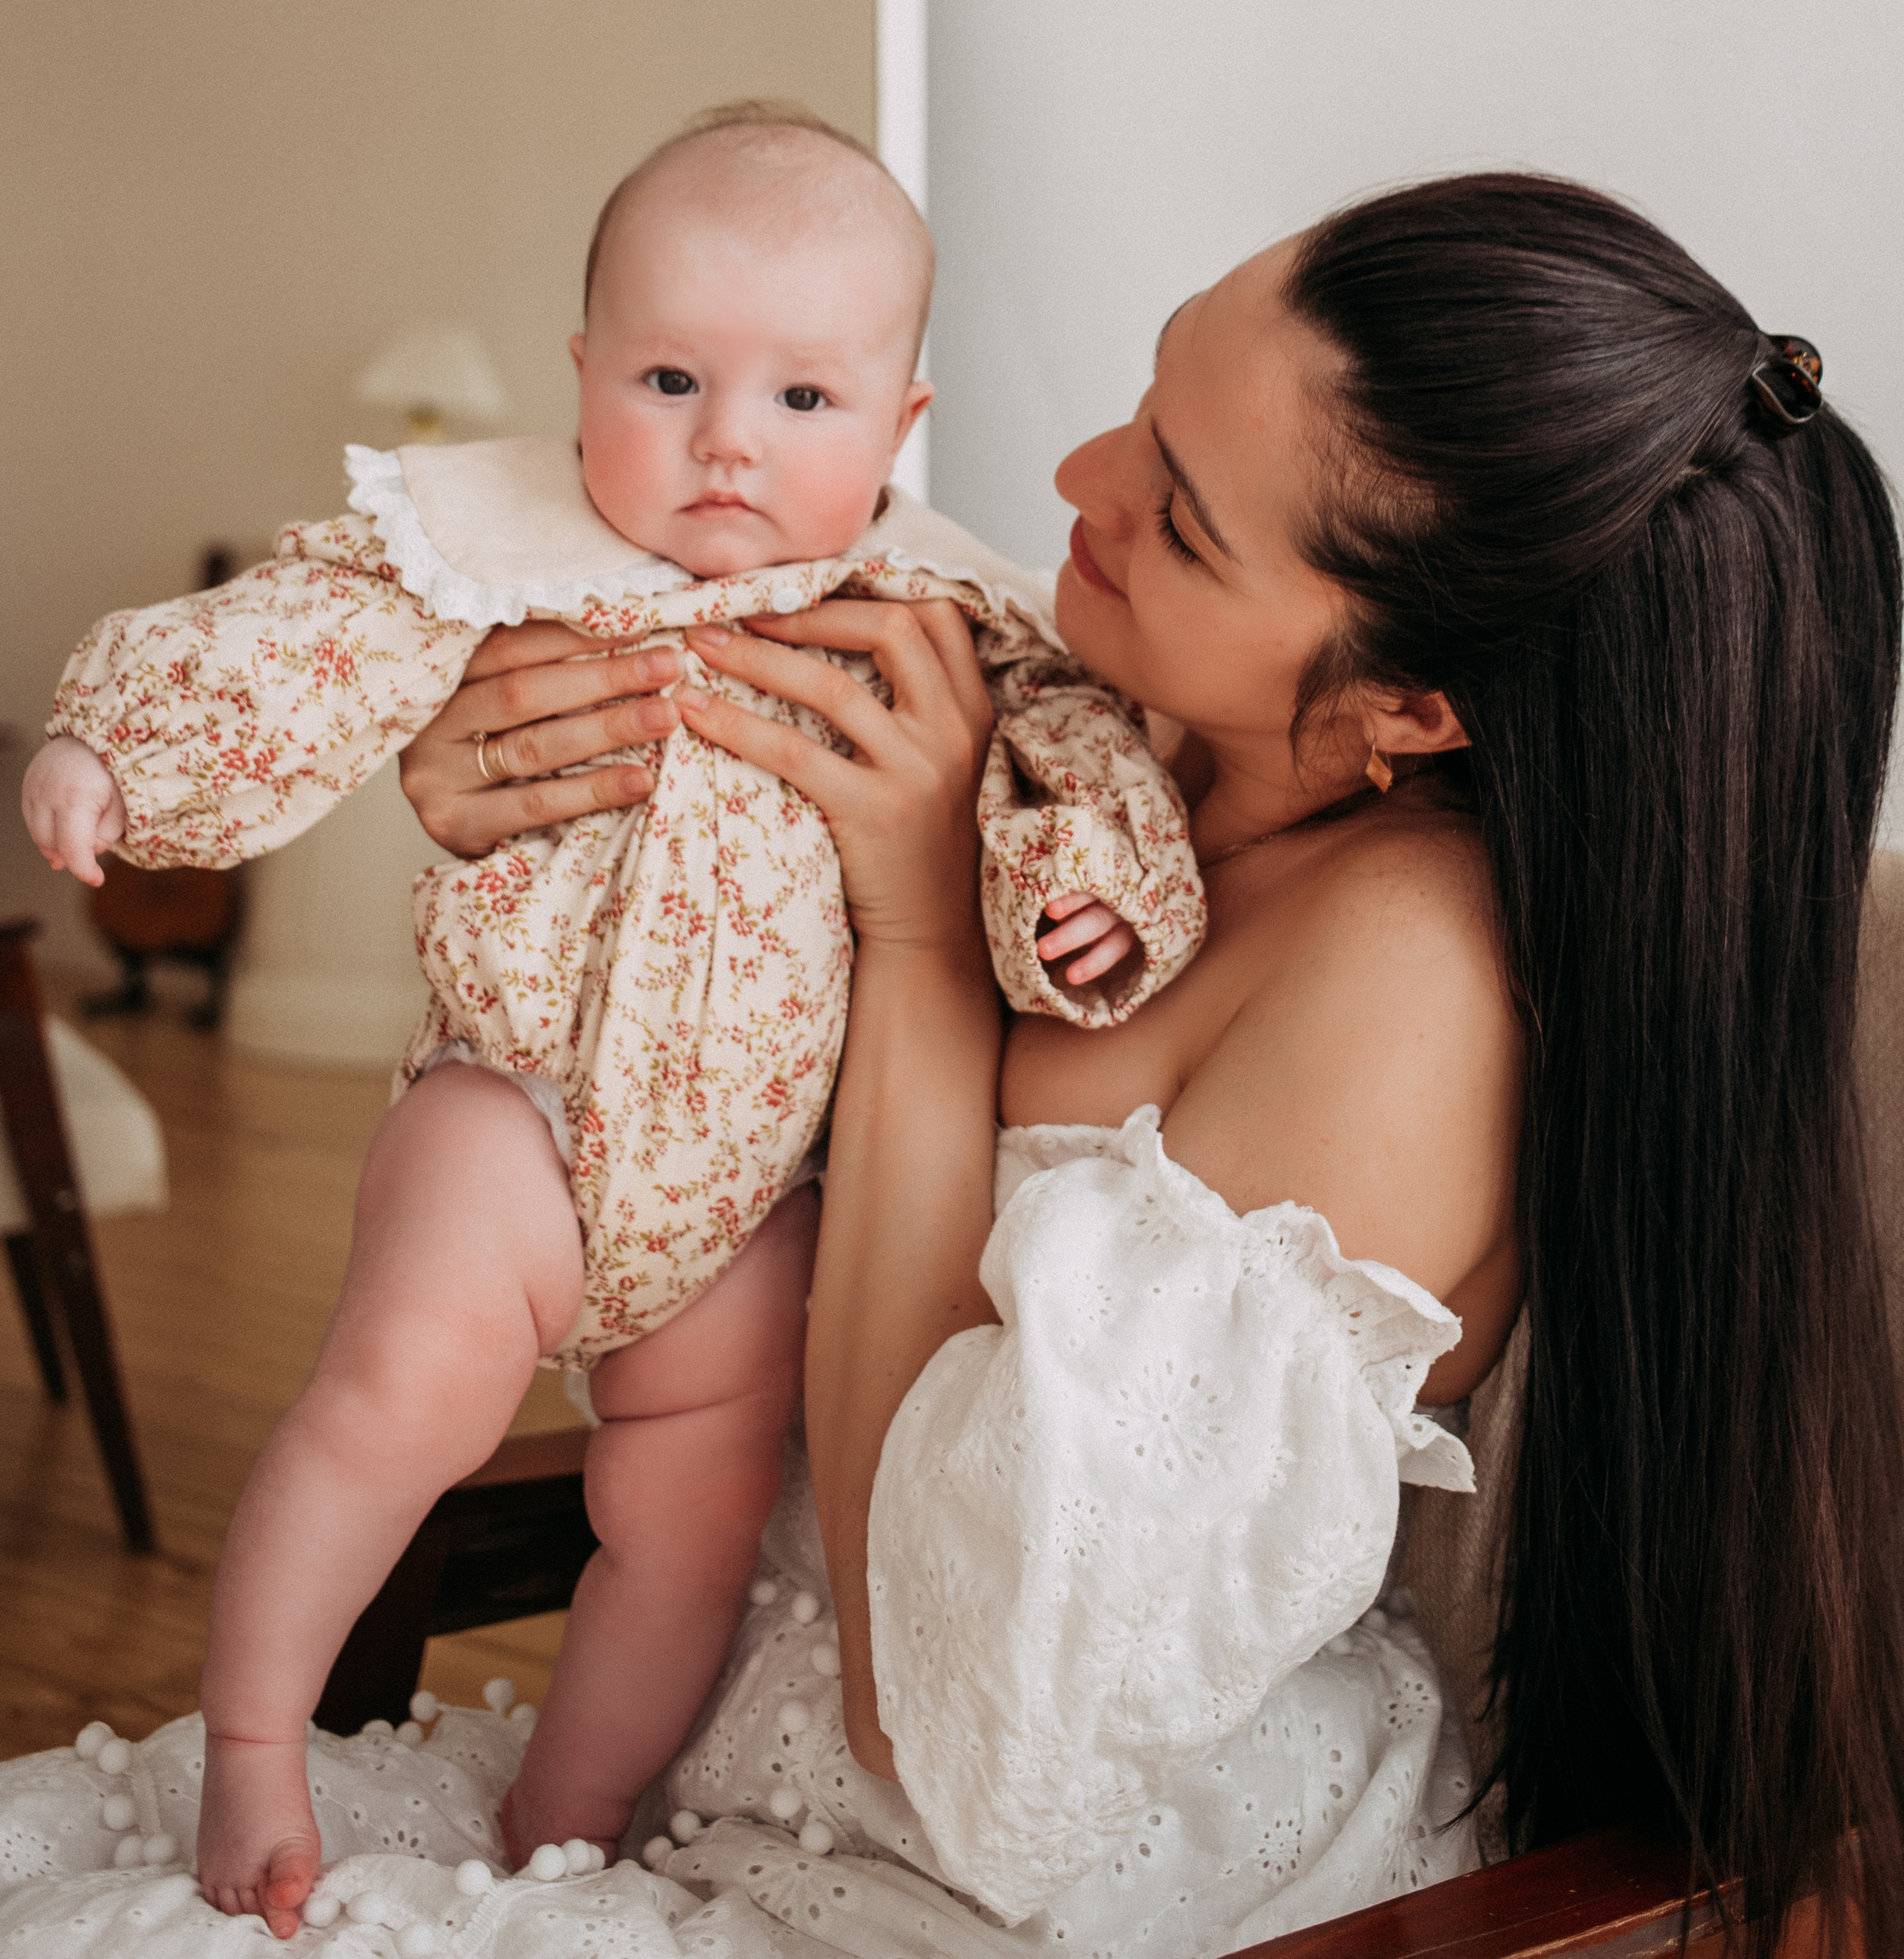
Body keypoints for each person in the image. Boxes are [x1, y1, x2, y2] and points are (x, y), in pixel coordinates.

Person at [394, 172, 1904, 1958]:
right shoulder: (1095, 741)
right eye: (1148, 399)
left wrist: (919, 953)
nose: (1073, 483)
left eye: (1178, 520)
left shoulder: (1402, 983)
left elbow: (957, 1732)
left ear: (1410, 706)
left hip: (1045, 1884)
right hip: (698, 1729)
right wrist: (519, 820)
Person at [19, 105, 1202, 1937]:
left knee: (698, 1511)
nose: (727, 440)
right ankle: (253, 1735)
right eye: (668, 377)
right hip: (516, 1109)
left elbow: (1074, 759)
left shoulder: (946, 612)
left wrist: (1092, 901)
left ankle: (573, 1814)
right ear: (582, 377)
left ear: (899, 427)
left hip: (753, 1187)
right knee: (394, 1400)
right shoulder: (501, 550)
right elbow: (300, 638)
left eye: (803, 402)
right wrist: (126, 748)